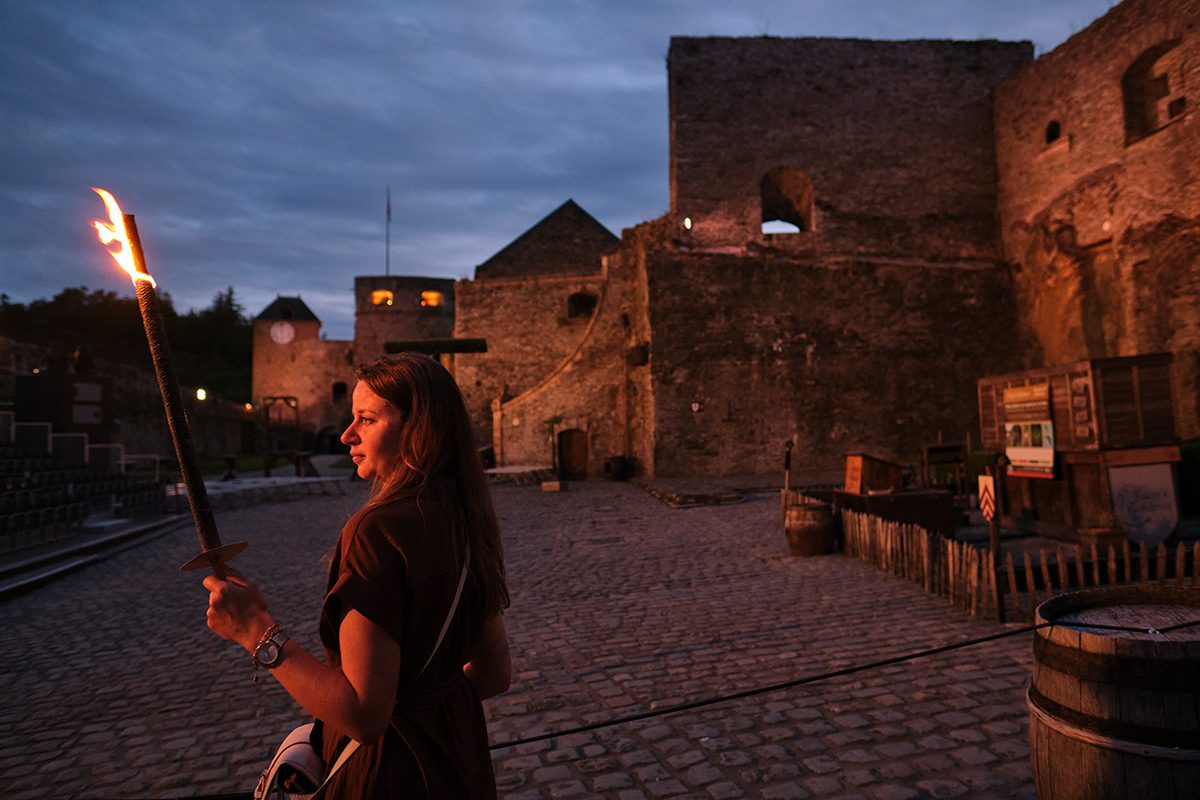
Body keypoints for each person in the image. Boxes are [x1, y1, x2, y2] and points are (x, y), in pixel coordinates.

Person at [204, 353, 512, 798]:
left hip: (391, 776)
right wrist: (430, 704)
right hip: (460, 765)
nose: (348, 435)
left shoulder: (377, 530)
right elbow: (494, 673)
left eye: (366, 419)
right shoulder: (467, 516)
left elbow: (364, 716)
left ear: (417, 430)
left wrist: (256, 633)